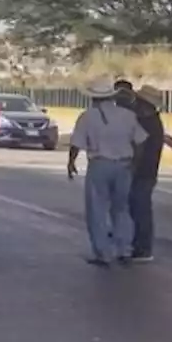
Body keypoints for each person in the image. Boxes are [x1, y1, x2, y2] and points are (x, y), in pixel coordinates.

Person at [68, 78, 148, 268]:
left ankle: (103, 253)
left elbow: (76, 143)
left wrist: (70, 162)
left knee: (97, 209)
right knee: (121, 208)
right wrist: (135, 163)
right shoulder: (128, 115)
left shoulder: (87, 116)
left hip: (100, 164)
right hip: (124, 165)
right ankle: (124, 249)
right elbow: (141, 141)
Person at [115, 82, 172, 262]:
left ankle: (143, 248)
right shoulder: (148, 120)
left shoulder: (148, 122)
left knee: (140, 209)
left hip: (144, 171)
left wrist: (132, 166)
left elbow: (140, 147)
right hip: (145, 171)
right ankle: (138, 245)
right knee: (137, 208)